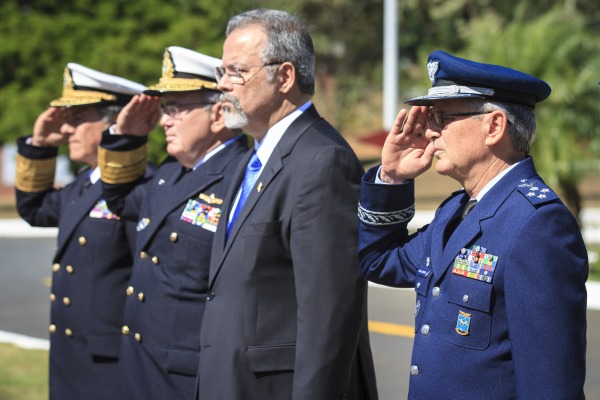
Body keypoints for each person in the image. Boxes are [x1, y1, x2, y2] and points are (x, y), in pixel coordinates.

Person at [357, 50, 588, 399]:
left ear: (494, 126)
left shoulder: (538, 224)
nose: (430, 132)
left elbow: (550, 383)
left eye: (441, 118)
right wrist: (390, 178)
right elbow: (379, 260)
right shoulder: (456, 209)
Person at [196, 8, 378, 400]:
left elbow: (328, 315)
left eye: (236, 72)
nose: (223, 86)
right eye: (220, 73)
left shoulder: (321, 160)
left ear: (284, 76)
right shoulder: (252, 159)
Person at [97, 46, 248, 400]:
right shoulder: (170, 173)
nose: (165, 120)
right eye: (165, 109)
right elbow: (120, 200)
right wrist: (126, 137)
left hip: (188, 376)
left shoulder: (242, 175)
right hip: (140, 364)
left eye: (176, 109)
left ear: (219, 114)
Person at [14, 63, 146, 400]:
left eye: (78, 118)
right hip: (71, 357)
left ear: (114, 122)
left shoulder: (140, 188)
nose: (68, 129)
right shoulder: (83, 185)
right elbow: (35, 209)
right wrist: (40, 145)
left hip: (111, 362)